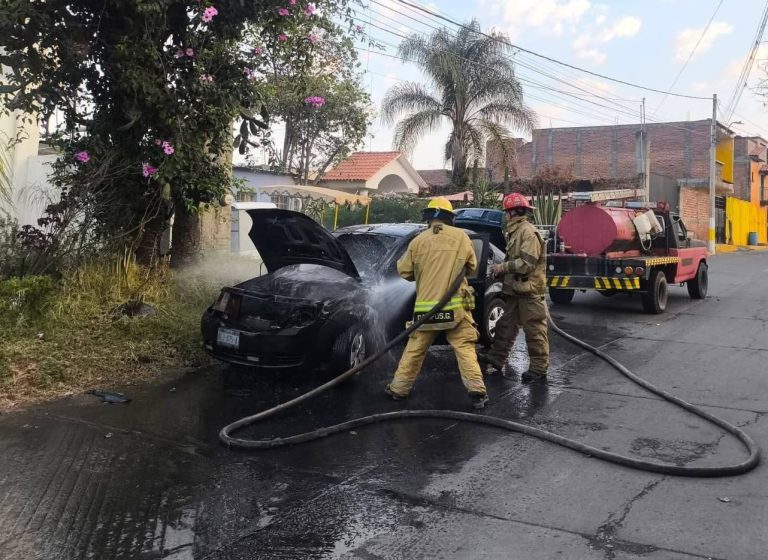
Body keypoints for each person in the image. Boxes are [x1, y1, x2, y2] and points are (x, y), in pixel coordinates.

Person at [385, 197, 489, 410]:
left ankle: (399, 389)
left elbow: (405, 271)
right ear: (450, 217)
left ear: (428, 217)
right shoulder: (461, 237)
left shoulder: (418, 241)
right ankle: (477, 393)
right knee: (464, 348)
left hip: (426, 311)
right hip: (455, 309)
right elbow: (472, 266)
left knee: (415, 349)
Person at [481, 192, 549, 384]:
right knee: (505, 326)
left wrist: (502, 268)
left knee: (534, 331)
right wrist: (502, 273)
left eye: (506, 212)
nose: (505, 215)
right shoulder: (516, 231)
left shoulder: (528, 233)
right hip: (516, 291)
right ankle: (496, 359)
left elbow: (526, 264)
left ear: (514, 212)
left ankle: (538, 369)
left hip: (529, 293)